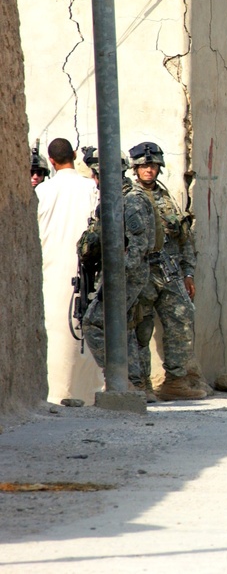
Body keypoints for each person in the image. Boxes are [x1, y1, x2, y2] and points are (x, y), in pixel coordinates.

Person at [128, 141, 206, 400]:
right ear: (135, 168)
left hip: (169, 272)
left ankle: (175, 380)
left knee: (182, 320)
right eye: (143, 166)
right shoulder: (128, 197)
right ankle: (140, 385)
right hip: (140, 274)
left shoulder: (168, 199)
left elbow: (184, 240)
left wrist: (188, 273)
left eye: (152, 165)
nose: (148, 170)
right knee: (140, 327)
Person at [82, 162, 161, 402]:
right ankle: (135, 385)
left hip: (127, 276)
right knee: (125, 328)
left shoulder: (130, 201)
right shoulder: (120, 198)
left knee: (93, 323)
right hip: (126, 274)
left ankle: (118, 379)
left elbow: (139, 246)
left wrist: (117, 279)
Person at [34, 137, 104, 404]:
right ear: (74, 155)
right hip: (87, 271)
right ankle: (87, 395)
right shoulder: (91, 188)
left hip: (50, 271)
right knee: (85, 333)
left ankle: (55, 395)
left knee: (55, 333)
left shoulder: (42, 191)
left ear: (51, 161)